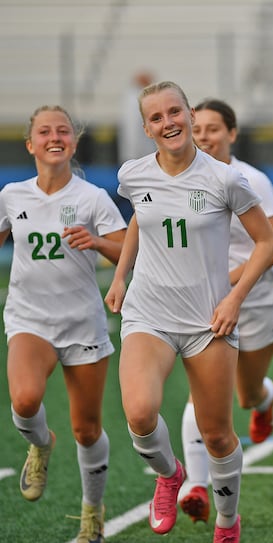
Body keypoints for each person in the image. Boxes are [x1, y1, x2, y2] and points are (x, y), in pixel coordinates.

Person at [104, 81, 273, 543]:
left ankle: (226, 522)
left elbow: (267, 242)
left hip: (208, 321)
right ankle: (169, 474)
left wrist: (234, 299)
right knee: (140, 414)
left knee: (217, 436)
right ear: (146, 128)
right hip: (149, 313)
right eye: (156, 118)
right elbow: (142, 216)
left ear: (189, 113)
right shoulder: (132, 174)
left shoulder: (224, 177)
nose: (168, 123)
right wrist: (121, 276)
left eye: (174, 112)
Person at [1, 105, 127, 543]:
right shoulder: (12, 195)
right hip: (29, 318)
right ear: (30, 144)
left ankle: (92, 515)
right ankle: (40, 443)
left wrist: (95, 241)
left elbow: (129, 252)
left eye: (64, 131)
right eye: (45, 131)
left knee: (87, 428)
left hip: (82, 323)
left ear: (73, 142)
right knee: (25, 400)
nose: (55, 137)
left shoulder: (92, 198)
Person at [177, 98, 273, 523]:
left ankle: (266, 401)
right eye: (198, 128)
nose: (204, 136)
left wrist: (230, 283)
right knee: (203, 394)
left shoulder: (252, 180)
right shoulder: (182, 178)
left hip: (258, 302)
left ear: (232, 133)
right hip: (204, 305)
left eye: (212, 128)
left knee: (246, 394)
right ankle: (195, 485)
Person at [118, 70, 156, 163]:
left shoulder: (132, 98)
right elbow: (133, 128)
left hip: (139, 152)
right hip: (139, 153)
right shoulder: (136, 100)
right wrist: (134, 153)